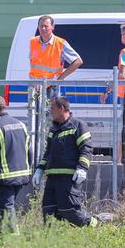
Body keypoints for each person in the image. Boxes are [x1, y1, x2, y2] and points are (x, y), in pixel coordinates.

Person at [32, 97, 98, 227]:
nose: (50, 112)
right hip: (52, 178)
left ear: (62, 109)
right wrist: (40, 169)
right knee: (48, 211)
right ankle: (53, 241)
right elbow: (48, 152)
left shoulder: (78, 125)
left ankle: (94, 225)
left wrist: (82, 168)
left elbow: (86, 148)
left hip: (68, 178)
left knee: (69, 210)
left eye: (52, 109)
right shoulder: (53, 129)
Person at [0, 96, 31, 234]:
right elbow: (29, 150)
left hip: (3, 179)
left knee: (4, 213)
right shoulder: (21, 125)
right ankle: (9, 241)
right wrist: (29, 170)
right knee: (2, 212)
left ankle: (13, 245)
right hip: (21, 176)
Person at [29, 15, 82, 92]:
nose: (43, 28)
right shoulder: (32, 42)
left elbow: (78, 61)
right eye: (41, 26)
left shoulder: (60, 43)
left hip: (52, 87)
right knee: (34, 105)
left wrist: (60, 78)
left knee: (53, 104)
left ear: (52, 27)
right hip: (35, 86)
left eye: (46, 26)